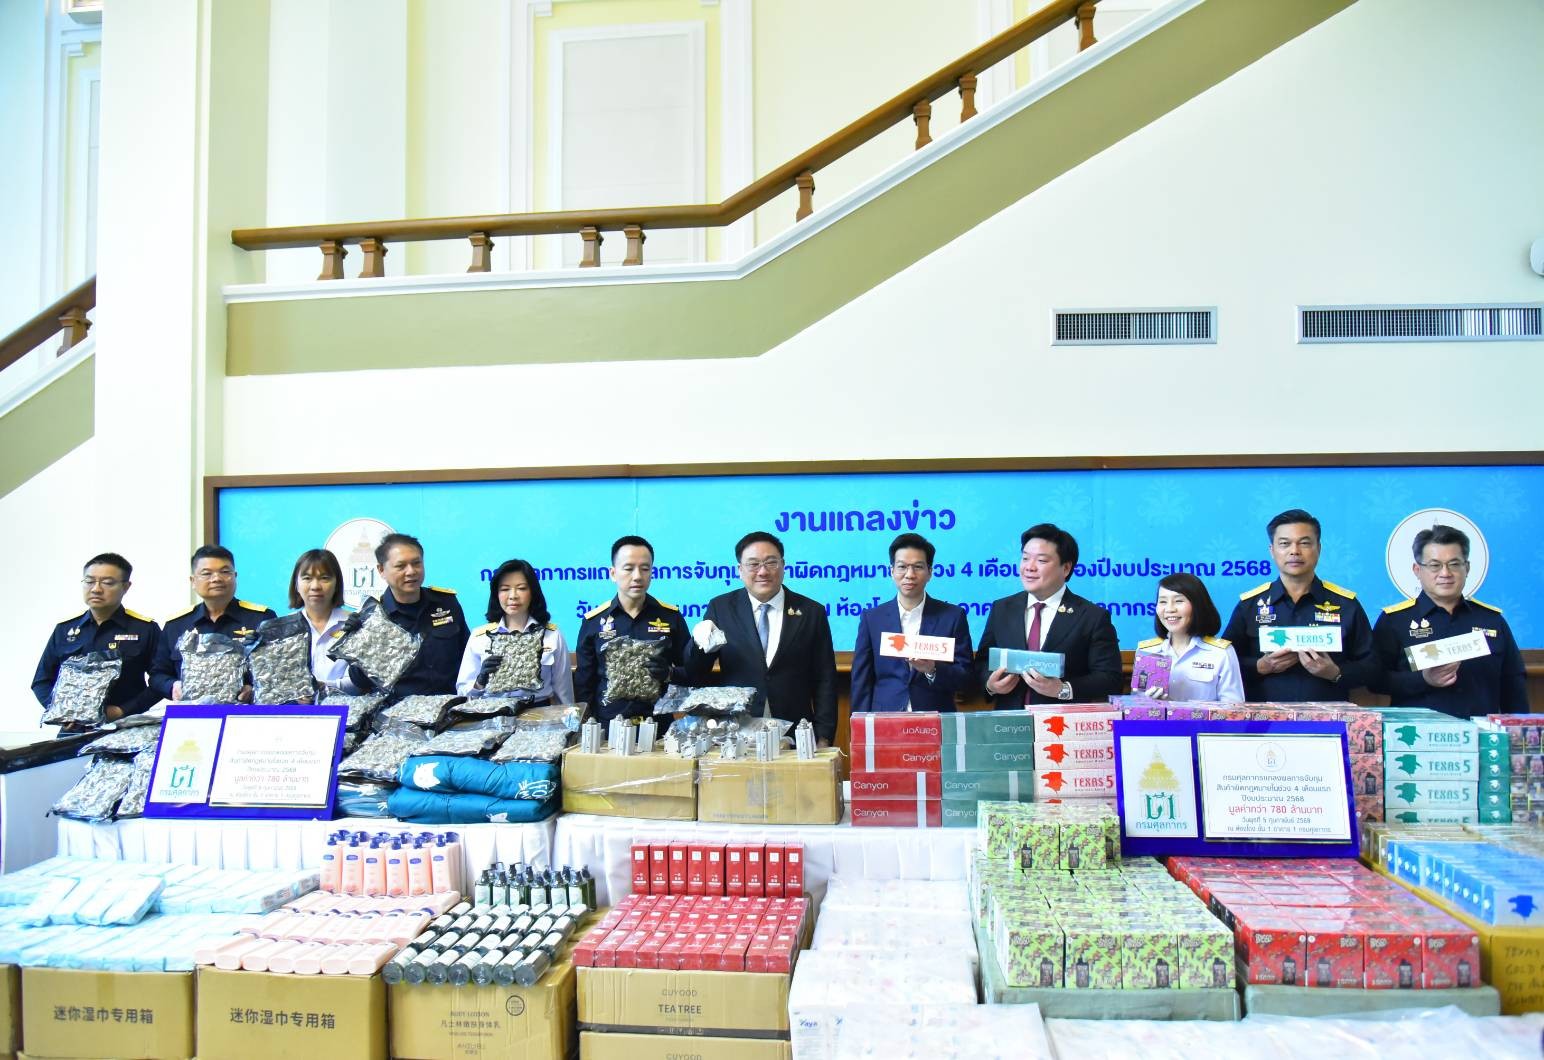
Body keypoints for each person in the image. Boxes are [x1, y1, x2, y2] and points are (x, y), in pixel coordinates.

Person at [686, 531, 838, 745]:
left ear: (783, 565)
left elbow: (825, 678)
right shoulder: (721, 608)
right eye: (753, 564)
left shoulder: (811, 612)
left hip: (796, 732)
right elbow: (696, 670)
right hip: (736, 732)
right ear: (740, 570)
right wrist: (698, 643)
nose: (763, 571)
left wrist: (823, 736)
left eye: (771, 562)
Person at [1372, 524, 1528, 717]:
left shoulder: (1492, 621)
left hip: (1481, 733)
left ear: (1467, 568)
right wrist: (1424, 679)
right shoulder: (1395, 620)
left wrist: (1519, 728)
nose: (1445, 573)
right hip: (1416, 732)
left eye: (1454, 564)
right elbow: (1375, 681)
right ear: (1417, 570)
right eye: (1435, 565)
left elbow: (1514, 682)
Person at [1221, 508, 1376, 701]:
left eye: (1304, 543)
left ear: (1319, 548)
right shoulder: (1250, 605)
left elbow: (1373, 668)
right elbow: (1223, 663)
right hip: (1264, 717)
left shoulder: (1346, 604)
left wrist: (1336, 673)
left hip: (1328, 717)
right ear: (1272, 551)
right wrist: (1260, 666)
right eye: (1284, 544)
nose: (1294, 551)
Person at [976, 523, 1123, 707]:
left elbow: (1110, 678)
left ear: (1066, 568)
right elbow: (982, 663)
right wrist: (990, 685)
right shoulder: (1002, 609)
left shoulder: (1091, 617)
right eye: (1025, 558)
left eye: (1041, 561)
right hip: (1009, 720)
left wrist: (1063, 689)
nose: (1029, 567)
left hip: (1063, 721)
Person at [33, 552, 162, 724]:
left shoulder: (145, 629)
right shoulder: (65, 629)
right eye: (89, 581)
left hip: (124, 725)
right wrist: (61, 710)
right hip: (73, 727)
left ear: (126, 587)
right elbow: (41, 681)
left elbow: (161, 680)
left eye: (107, 583)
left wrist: (122, 710)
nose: (96, 589)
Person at [850, 533, 974, 712]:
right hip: (886, 718)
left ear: (930, 572)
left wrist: (932, 669)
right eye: (902, 567)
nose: (910, 575)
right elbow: (861, 681)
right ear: (891, 571)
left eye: (918, 567)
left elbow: (965, 677)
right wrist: (860, 724)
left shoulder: (952, 617)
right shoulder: (872, 619)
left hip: (935, 718)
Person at [574, 536, 689, 722]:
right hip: (608, 725)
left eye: (645, 568)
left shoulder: (671, 617)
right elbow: (584, 682)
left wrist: (669, 673)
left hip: (658, 723)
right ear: (613, 573)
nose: (637, 576)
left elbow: (690, 672)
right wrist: (587, 724)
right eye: (628, 568)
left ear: (652, 572)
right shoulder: (594, 621)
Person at [150, 545, 276, 702]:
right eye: (207, 573)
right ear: (193, 581)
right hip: (192, 712)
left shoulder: (262, 618)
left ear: (235, 576)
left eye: (225, 572)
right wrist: (173, 687)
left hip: (246, 711)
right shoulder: (176, 625)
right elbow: (158, 674)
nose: (216, 578)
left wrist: (254, 689)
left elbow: (276, 669)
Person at [363, 533, 469, 696]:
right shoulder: (374, 617)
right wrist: (359, 640)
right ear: (381, 570)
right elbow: (361, 682)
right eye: (401, 566)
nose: (411, 571)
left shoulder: (446, 603)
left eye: (416, 563)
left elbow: (468, 657)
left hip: (449, 705)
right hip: (396, 709)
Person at [457, 558, 574, 704]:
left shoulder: (551, 635)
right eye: (505, 589)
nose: (513, 596)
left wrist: (569, 715)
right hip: (492, 713)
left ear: (533, 592)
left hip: (539, 713)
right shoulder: (480, 637)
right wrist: (480, 681)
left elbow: (564, 693)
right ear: (496, 594)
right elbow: (463, 693)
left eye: (521, 588)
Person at [1134, 572, 1245, 702]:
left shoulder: (1221, 653)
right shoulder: (1146, 651)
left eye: (1178, 601)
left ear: (1198, 605)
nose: (1169, 609)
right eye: (1163, 601)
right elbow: (1135, 704)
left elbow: (1233, 708)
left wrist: (1178, 709)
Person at [287, 548, 355, 691]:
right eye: (307, 578)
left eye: (324, 578)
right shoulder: (284, 629)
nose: (315, 586)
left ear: (337, 584)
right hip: (295, 705)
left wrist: (324, 687)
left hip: (346, 704)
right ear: (296, 585)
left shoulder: (354, 624)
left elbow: (363, 682)